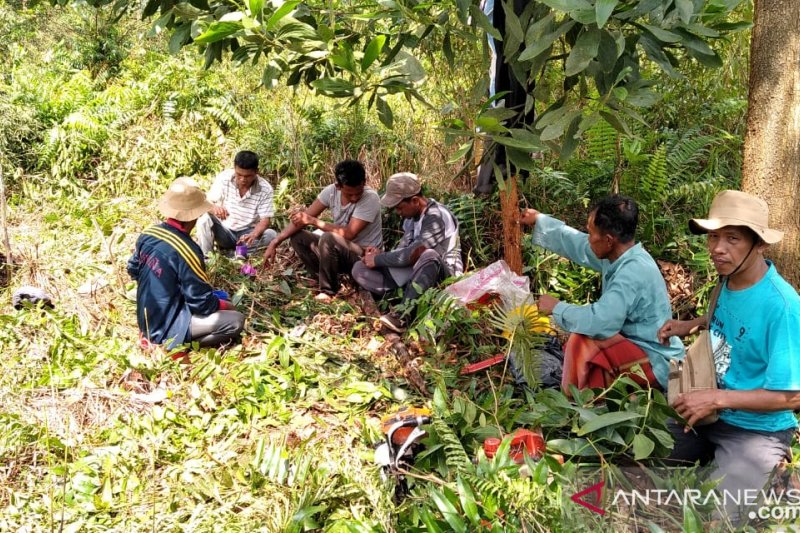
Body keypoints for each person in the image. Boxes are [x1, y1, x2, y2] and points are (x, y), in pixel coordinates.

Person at [657, 190, 800, 522]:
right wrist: (689, 324)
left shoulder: (782, 308)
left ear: (759, 244)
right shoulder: (727, 280)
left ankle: (775, 476)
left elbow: (793, 396)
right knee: (639, 468)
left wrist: (715, 398)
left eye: (732, 238)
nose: (717, 248)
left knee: (721, 519)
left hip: (756, 431)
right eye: (714, 237)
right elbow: (731, 320)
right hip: (711, 415)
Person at [520, 195, 684, 393]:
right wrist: (540, 220)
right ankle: (595, 403)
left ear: (608, 240)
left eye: (591, 233)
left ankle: (572, 406)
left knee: (582, 341)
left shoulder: (632, 273)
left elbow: (601, 323)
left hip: (657, 362)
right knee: (587, 349)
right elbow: (578, 244)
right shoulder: (620, 254)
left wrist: (557, 308)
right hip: (639, 347)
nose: (588, 238)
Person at [127, 178, 244, 357]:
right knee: (235, 321)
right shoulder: (187, 249)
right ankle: (173, 345)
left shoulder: (148, 234)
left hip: (146, 318)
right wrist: (227, 305)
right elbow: (201, 303)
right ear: (194, 216)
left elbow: (133, 269)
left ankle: (158, 336)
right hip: (168, 323)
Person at [352, 172, 462, 333]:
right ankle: (398, 296)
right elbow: (403, 250)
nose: (398, 212)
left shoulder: (436, 217)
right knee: (359, 269)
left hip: (443, 275)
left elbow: (414, 254)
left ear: (415, 201)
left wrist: (378, 259)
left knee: (428, 255)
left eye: (399, 207)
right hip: (414, 271)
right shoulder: (411, 219)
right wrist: (379, 254)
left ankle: (403, 315)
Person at [262, 160, 383, 301]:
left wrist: (313, 221)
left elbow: (349, 234)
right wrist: (275, 242)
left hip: (362, 256)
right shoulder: (331, 192)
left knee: (328, 238)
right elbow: (302, 219)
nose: (355, 198)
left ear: (364, 182)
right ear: (338, 186)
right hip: (339, 253)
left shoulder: (371, 198)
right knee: (298, 237)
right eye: (349, 194)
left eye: (358, 193)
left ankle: (328, 291)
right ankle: (320, 277)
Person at [196, 150, 276, 257]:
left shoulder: (265, 189)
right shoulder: (224, 178)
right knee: (204, 220)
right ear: (234, 168)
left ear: (256, 172)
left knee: (271, 235)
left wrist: (253, 234)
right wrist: (214, 208)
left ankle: (237, 254)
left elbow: (265, 220)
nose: (242, 179)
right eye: (239, 174)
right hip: (225, 231)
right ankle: (207, 257)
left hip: (246, 236)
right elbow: (206, 203)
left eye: (247, 176)